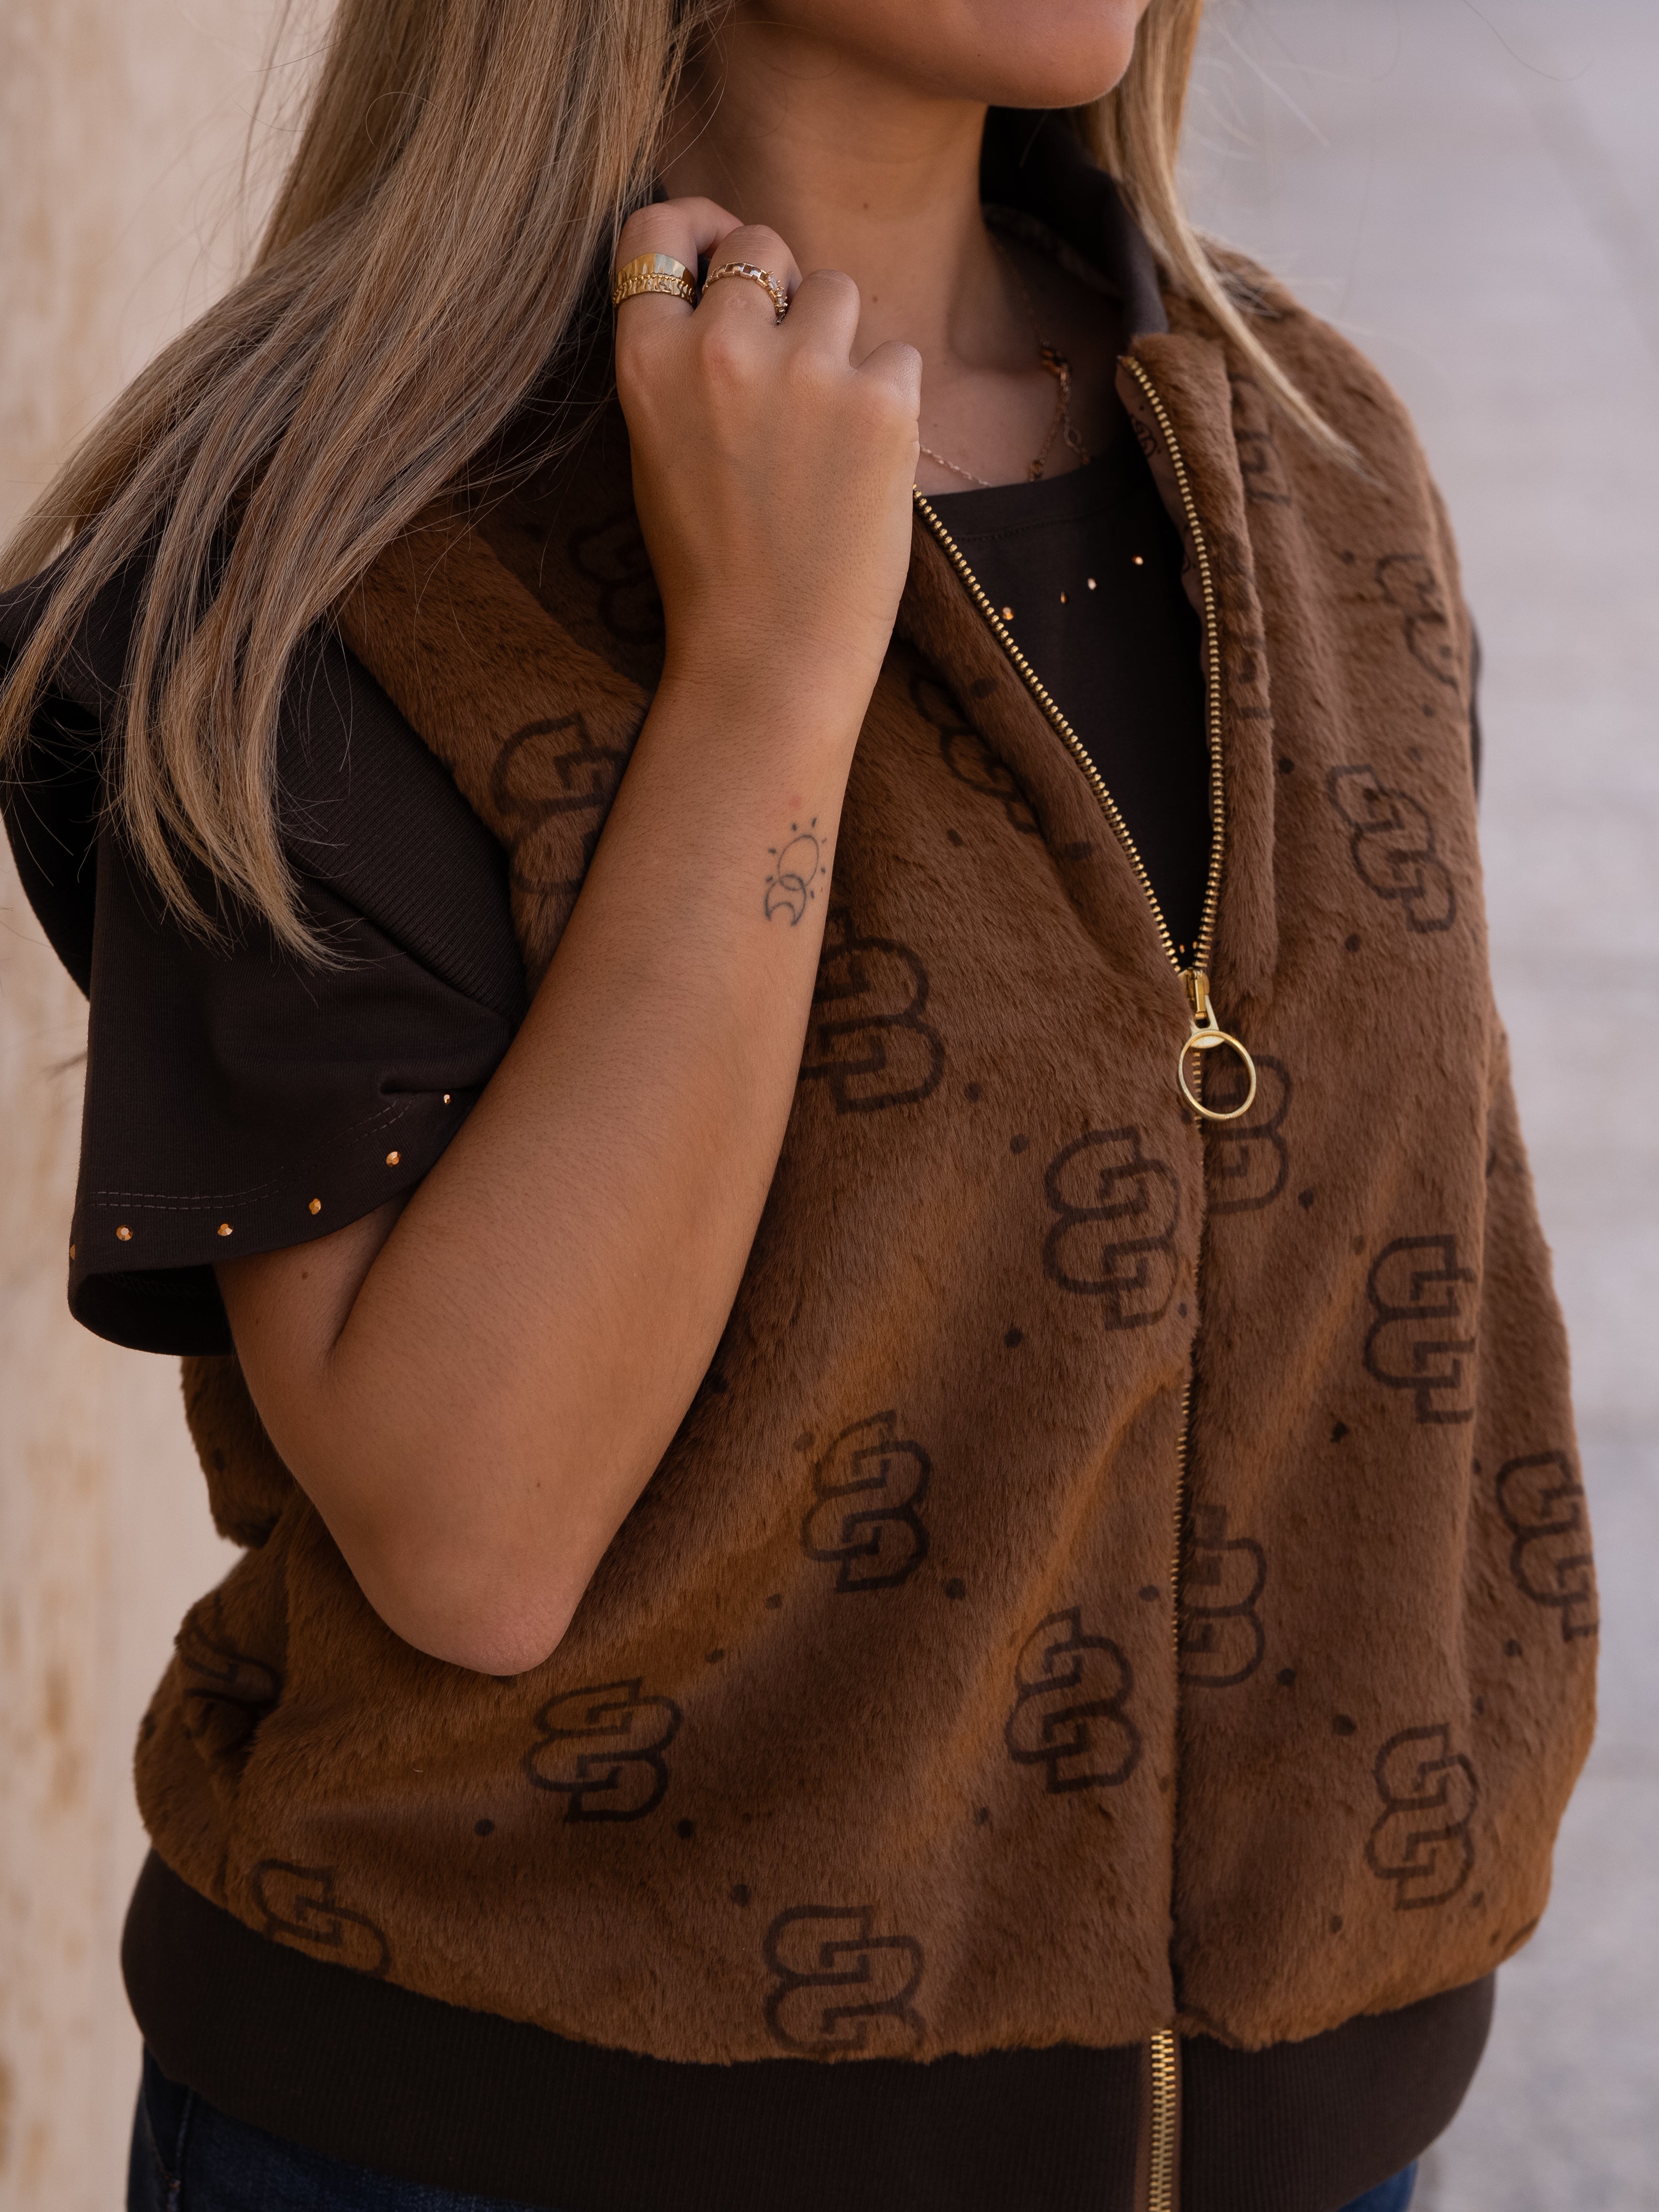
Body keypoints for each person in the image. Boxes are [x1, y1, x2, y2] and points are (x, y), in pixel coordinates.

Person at [0, 2, 1596, 2208]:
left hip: (1301, 2147)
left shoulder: (1319, 463)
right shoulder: (343, 548)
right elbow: (474, 1539)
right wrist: (764, 674)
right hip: (516, 2152)